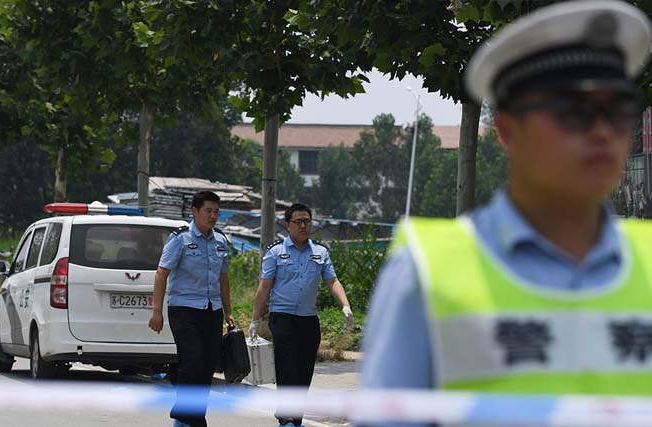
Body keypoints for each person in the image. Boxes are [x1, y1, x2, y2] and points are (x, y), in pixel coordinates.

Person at [361, 1, 652, 426]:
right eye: (572, 111)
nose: (601, 132)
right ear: (507, 130)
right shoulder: (426, 273)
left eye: (616, 111)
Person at [249, 203, 354, 427]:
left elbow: (332, 281)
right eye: (298, 221)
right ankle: (286, 418)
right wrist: (255, 320)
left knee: (304, 370)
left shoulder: (320, 252)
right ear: (288, 225)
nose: (303, 225)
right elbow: (264, 287)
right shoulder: (276, 252)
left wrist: (345, 305)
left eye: (307, 221)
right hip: (283, 318)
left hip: (308, 320)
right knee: (287, 367)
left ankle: (294, 419)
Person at [149, 190, 235, 427]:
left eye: (216, 211)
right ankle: (186, 417)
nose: (213, 216)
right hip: (183, 309)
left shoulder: (220, 241)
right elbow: (161, 273)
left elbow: (223, 279)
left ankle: (192, 415)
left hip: (212, 310)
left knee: (208, 364)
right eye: (208, 211)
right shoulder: (180, 238)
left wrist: (228, 312)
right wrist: (156, 312)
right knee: (192, 360)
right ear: (194, 211)